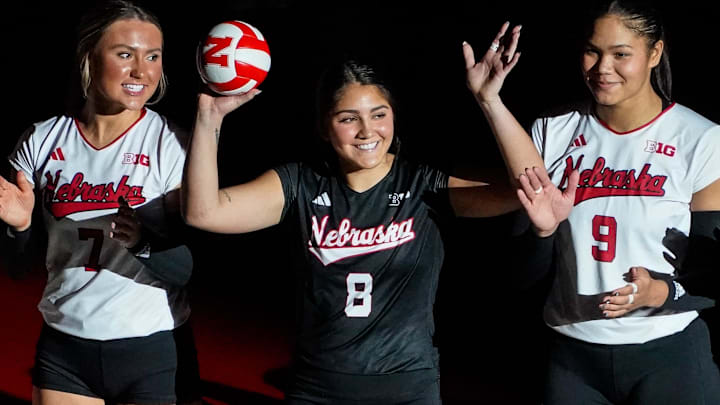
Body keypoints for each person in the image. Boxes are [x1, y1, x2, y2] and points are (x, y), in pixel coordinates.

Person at [182, 22, 532, 404]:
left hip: (407, 388)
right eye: (348, 118)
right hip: (317, 389)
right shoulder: (300, 184)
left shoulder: (422, 186)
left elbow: (529, 189)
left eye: (378, 115)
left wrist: (489, 101)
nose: (368, 131)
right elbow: (203, 212)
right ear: (324, 127)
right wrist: (209, 118)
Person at [466, 1, 720, 403]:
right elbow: (520, 278)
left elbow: (714, 276)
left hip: (668, 354)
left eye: (621, 54)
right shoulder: (553, 130)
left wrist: (660, 293)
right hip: (572, 358)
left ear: (654, 53)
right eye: (592, 51)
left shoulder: (701, 139)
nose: (603, 67)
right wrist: (542, 231)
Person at [0, 1, 200, 404]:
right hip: (65, 347)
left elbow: (187, 271)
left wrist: (143, 241)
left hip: (150, 347)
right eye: (125, 54)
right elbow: (18, 268)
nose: (141, 71)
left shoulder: (172, 145)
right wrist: (19, 227)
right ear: (88, 57)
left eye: (153, 56)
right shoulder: (41, 141)